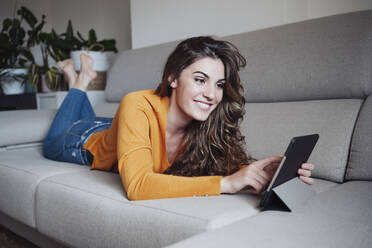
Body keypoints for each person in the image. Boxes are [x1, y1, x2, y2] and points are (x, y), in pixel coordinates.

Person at [43, 36, 314, 201]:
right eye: (199, 80)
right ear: (172, 78)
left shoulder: (206, 121)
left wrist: (267, 173)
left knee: (110, 127)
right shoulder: (135, 102)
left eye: (219, 84)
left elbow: (229, 165)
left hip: (124, 131)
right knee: (52, 140)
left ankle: (80, 78)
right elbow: (138, 186)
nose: (211, 95)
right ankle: (79, 83)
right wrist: (226, 184)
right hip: (83, 140)